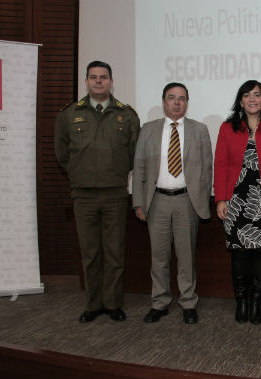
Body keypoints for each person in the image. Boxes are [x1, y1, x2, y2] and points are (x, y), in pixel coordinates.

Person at [54, 60, 140, 323]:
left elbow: (134, 153)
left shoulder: (127, 115)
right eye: (94, 77)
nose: (99, 81)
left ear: (111, 82)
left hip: (115, 194)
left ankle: (112, 304)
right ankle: (93, 304)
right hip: (83, 195)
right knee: (90, 253)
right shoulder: (69, 114)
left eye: (103, 77)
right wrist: (81, 173)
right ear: (86, 82)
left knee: (114, 252)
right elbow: (62, 153)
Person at [132, 82, 212, 324]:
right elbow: (139, 167)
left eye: (182, 98)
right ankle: (159, 302)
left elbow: (207, 169)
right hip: (156, 201)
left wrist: (201, 201)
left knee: (186, 257)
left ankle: (188, 302)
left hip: (187, 201)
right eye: (172, 97)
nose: (177, 102)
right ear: (163, 101)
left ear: (187, 102)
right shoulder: (148, 130)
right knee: (159, 257)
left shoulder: (199, 130)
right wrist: (139, 202)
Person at [213, 80, 261, 325]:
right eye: (247, 95)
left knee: (260, 253)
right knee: (239, 253)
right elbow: (221, 165)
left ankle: (256, 302)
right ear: (241, 101)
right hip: (235, 199)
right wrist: (220, 199)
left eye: (256, 94)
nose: (252, 99)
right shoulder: (227, 128)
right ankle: (241, 301)